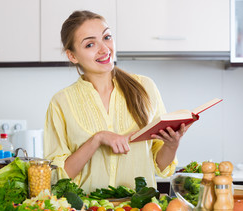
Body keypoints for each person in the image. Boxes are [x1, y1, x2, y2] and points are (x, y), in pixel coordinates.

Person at [44, 10, 188, 194]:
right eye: (90, 44)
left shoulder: (145, 87)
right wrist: (98, 138)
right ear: (72, 56)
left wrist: (171, 145)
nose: (104, 49)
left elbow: (160, 166)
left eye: (107, 37)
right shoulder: (61, 102)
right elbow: (58, 178)